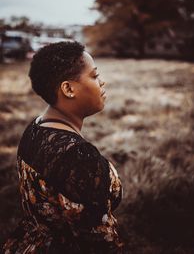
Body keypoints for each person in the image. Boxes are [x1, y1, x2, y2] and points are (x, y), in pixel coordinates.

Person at [2, 41, 124, 253]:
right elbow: (99, 243)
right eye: (94, 76)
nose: (102, 82)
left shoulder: (35, 128)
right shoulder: (79, 157)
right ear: (68, 89)